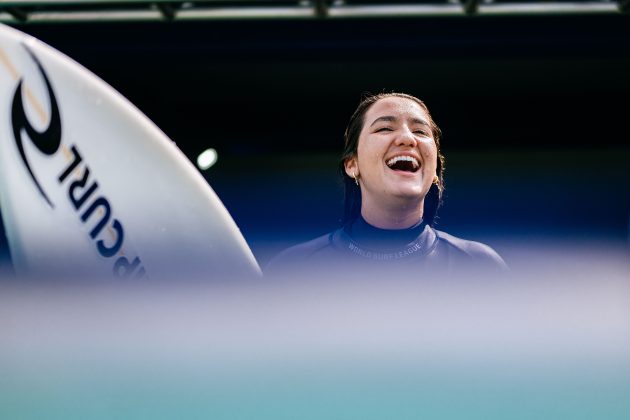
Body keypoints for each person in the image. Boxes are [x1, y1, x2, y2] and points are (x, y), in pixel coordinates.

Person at [267, 92, 507, 276]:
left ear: (434, 170)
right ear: (352, 165)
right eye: (384, 128)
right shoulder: (293, 268)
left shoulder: (480, 266)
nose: (406, 138)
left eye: (420, 131)